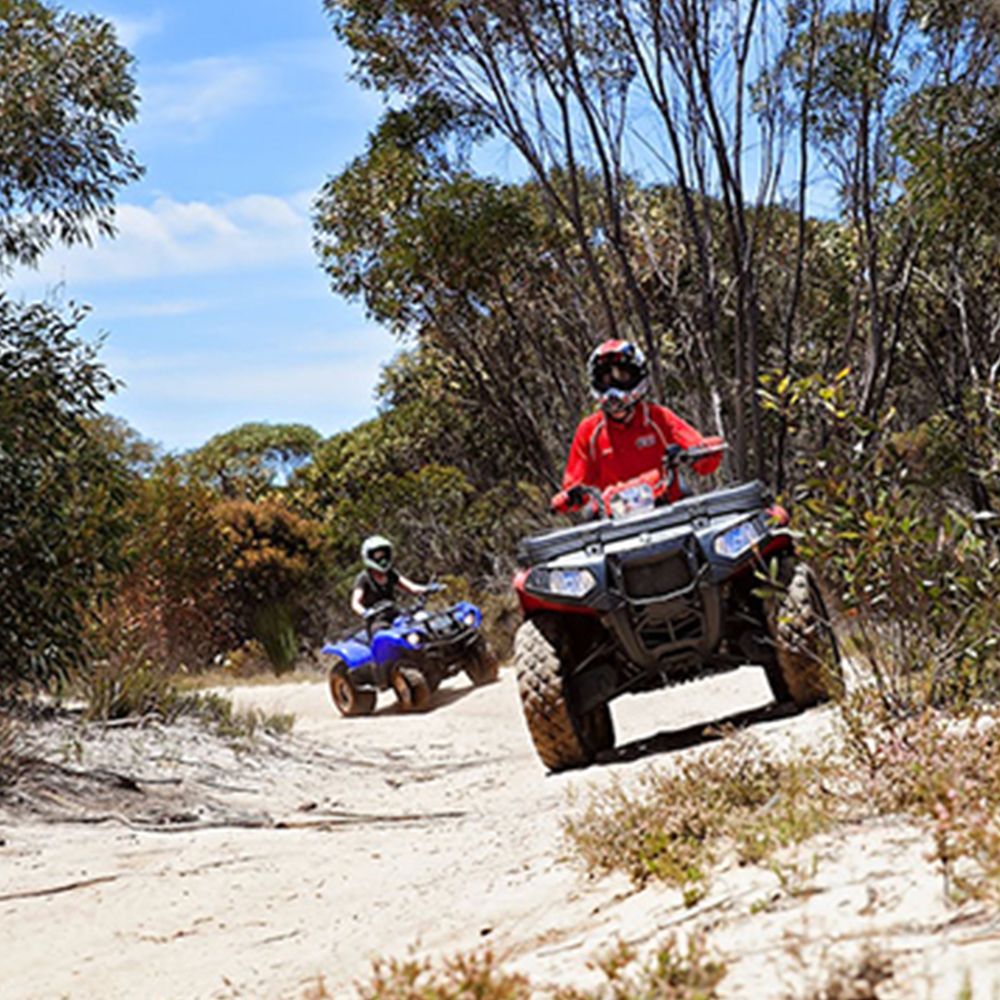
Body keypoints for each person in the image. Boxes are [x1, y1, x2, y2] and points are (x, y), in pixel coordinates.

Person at [561, 339, 724, 505]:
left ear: (637, 375)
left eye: (621, 376)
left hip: (667, 507)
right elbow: (573, 484)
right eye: (606, 379)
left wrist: (702, 452)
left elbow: (702, 455)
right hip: (613, 519)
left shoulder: (658, 417)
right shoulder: (589, 430)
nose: (613, 387)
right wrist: (571, 497)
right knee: (589, 518)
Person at [350, 534, 437, 621]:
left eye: (384, 556)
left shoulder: (390, 573)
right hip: (377, 621)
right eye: (378, 557)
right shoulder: (364, 578)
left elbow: (411, 587)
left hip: (395, 614)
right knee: (387, 635)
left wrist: (428, 589)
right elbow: (355, 603)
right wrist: (366, 612)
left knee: (415, 630)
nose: (382, 560)